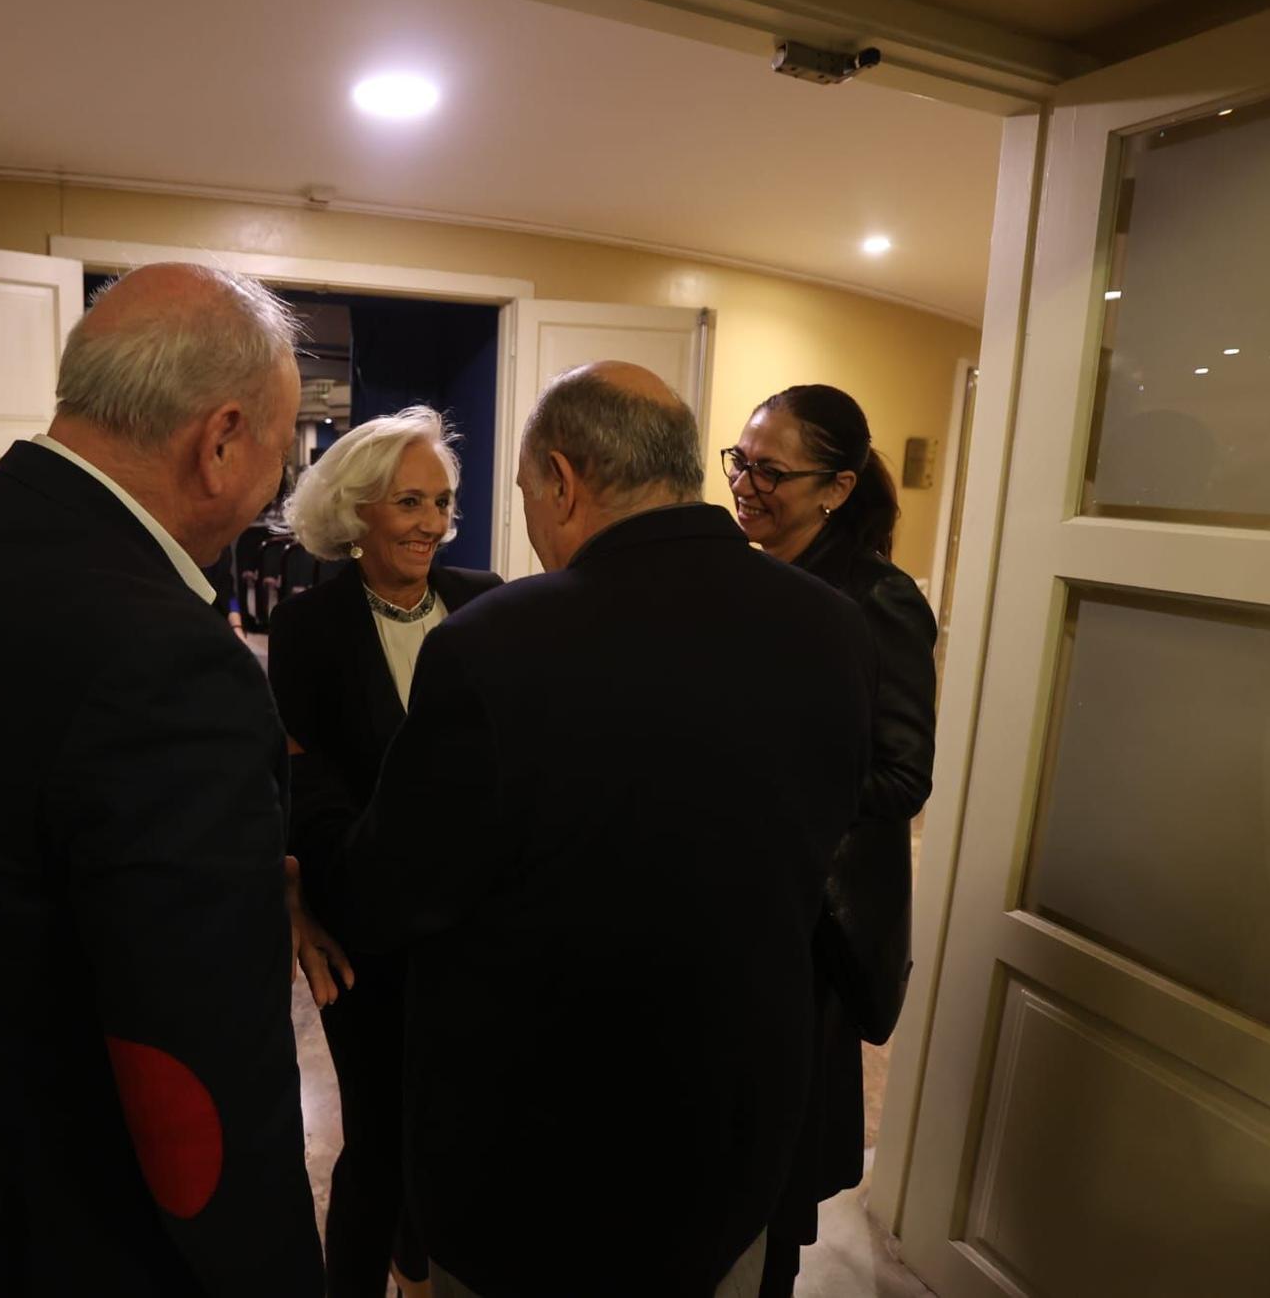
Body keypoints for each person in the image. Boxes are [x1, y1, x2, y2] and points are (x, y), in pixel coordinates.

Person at [299, 363, 875, 1297]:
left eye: (523, 491)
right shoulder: (835, 628)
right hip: (738, 1132)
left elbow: (385, 892)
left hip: (542, 1166)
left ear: (563, 480)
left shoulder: (494, 643)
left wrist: (309, 795)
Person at [0, 263, 324, 1295]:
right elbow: (200, 1081)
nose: (277, 481)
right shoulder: (170, 659)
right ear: (222, 441)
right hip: (74, 1241)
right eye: (283, 445)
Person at [269, 407, 501, 1298]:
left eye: (442, 502)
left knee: (453, 1123)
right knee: (376, 1137)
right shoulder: (309, 627)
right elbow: (304, 784)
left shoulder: (486, 601)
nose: (433, 523)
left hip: (476, 926)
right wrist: (324, 900)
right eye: (410, 502)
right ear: (358, 511)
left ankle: (420, 1267)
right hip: (365, 924)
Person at [725, 384, 937, 1298]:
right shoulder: (751, 574)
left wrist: (766, 787)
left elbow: (902, 775)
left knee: (776, 1166)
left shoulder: (878, 598)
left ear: (836, 489)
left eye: (772, 471)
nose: (747, 484)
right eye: (740, 461)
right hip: (742, 900)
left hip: (809, 928)